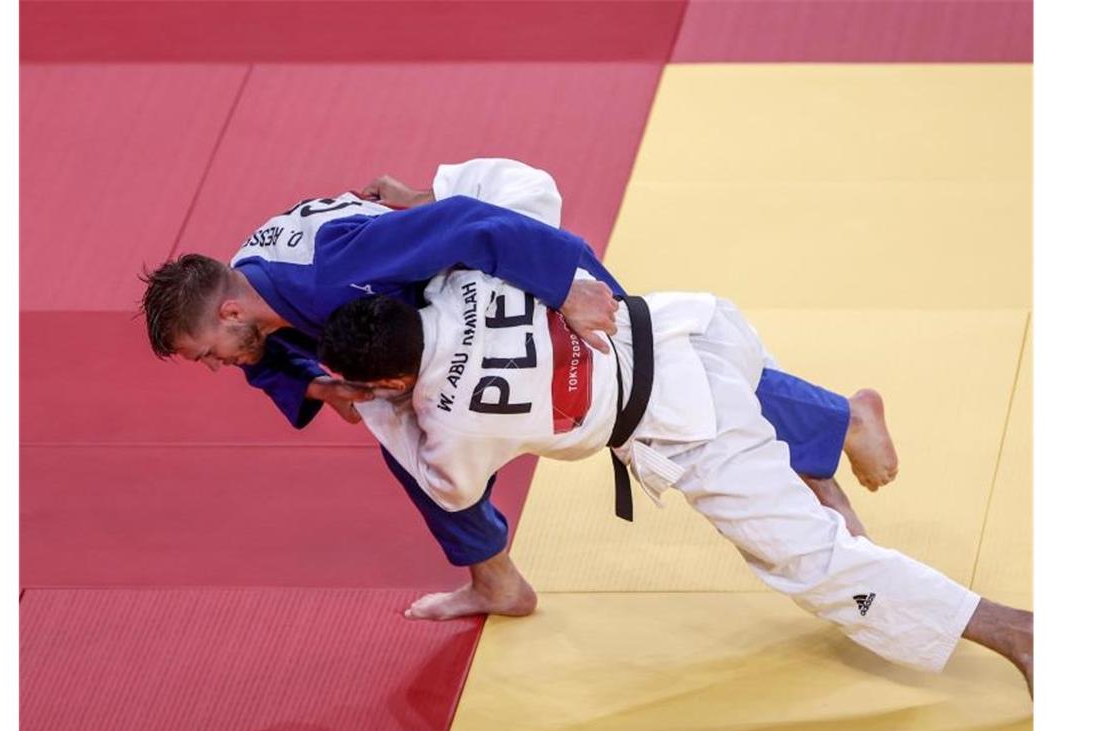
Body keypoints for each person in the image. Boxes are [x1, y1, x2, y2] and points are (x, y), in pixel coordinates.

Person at [138, 158, 894, 620]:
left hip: (515, 276)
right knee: (420, 454)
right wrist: (316, 387)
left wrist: (563, 289)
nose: (219, 365)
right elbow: (277, 345)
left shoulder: (329, 274)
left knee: (665, 386)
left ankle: (837, 424)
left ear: (230, 309)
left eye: (210, 352)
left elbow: (467, 223)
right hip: (437, 312)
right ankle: (496, 581)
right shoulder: (249, 276)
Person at [318, 270, 1034, 694]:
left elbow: (448, 489)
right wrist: (420, 199)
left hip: (692, 424)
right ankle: (824, 449)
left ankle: (1016, 633)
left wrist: (369, 406)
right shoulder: (457, 280)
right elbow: (514, 190)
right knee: (761, 425)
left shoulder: (450, 421)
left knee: (814, 567)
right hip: (690, 322)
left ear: (388, 377)